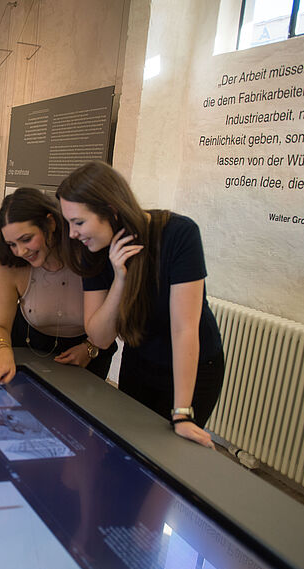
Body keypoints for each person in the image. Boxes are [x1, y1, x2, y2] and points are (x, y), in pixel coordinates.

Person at [57, 161, 224, 448]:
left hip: (192, 367)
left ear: (111, 211)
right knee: (131, 449)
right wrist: (120, 280)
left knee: (169, 456)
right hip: (140, 361)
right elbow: (99, 336)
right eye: (69, 223)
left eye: (79, 222)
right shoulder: (91, 249)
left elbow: (185, 328)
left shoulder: (179, 234)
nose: (73, 233)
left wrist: (182, 414)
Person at [0, 188, 116, 392]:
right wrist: (2, 351)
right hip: (28, 350)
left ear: (50, 224)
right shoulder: (9, 264)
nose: (21, 251)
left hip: (88, 355)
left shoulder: (88, 255)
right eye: (12, 244)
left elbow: (112, 313)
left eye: (27, 239)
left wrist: (90, 348)